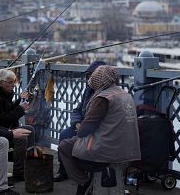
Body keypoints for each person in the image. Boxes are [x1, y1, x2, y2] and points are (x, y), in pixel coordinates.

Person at [58, 65, 141, 195]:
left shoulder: (102, 98)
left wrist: (79, 128)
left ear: (98, 81)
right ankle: (100, 177)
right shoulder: (125, 94)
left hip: (104, 152)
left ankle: (84, 182)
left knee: (64, 146)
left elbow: (85, 129)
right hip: (127, 152)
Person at [54, 60, 106, 182]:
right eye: (87, 77)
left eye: (91, 77)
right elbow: (77, 109)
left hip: (93, 130)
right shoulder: (88, 90)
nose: (89, 80)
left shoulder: (104, 95)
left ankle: (82, 173)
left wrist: (83, 126)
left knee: (70, 143)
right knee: (64, 134)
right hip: (81, 126)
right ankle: (63, 170)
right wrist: (76, 122)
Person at [0, 69, 35, 183]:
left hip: (6, 128)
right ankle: (18, 173)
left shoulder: (6, 94)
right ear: (0, 83)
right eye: (10, 82)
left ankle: (28, 165)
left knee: (30, 130)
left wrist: (19, 101)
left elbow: (9, 109)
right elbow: (2, 120)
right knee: (21, 139)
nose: (13, 85)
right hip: (0, 131)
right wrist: (20, 109)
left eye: (14, 82)